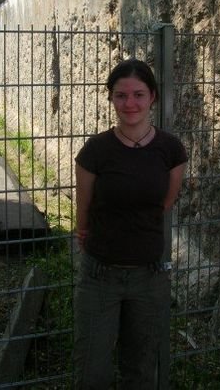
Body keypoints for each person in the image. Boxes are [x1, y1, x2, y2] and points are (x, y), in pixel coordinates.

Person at [74, 58, 188, 389]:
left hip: (149, 278)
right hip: (100, 277)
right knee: (91, 372)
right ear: (111, 98)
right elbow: (84, 211)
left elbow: (165, 203)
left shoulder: (172, 150)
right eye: (121, 95)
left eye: (138, 94)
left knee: (140, 370)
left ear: (152, 96)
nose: (130, 104)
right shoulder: (94, 151)